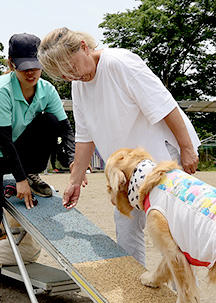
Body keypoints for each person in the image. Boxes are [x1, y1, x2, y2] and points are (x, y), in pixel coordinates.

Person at [38, 27, 200, 266]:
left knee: (171, 229)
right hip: (127, 167)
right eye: (64, 76)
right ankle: (135, 284)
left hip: (162, 155)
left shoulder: (119, 63)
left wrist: (186, 148)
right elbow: (85, 135)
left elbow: (165, 105)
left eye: (72, 68)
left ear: (84, 46)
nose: (73, 76)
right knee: (125, 223)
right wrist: (75, 179)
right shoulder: (78, 85)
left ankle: (186, 298)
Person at [0, 32, 77, 303]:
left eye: (36, 66)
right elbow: (2, 140)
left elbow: (64, 127)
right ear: (11, 64)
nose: (31, 72)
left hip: (15, 149)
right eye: (24, 67)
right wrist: (20, 179)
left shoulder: (47, 89)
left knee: (48, 120)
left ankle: (34, 172)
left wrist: (74, 160)